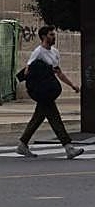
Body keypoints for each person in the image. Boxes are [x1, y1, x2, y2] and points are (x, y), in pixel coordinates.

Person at [17, 25, 84, 159]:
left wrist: (72, 85)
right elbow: (27, 71)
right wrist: (42, 72)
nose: (54, 37)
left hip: (48, 91)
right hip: (42, 92)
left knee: (38, 118)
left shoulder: (55, 52)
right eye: (51, 35)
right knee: (55, 118)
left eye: (54, 34)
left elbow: (59, 72)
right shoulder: (38, 52)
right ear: (44, 37)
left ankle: (22, 144)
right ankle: (68, 147)